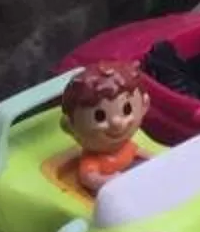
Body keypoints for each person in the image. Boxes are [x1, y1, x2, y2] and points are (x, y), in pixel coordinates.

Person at [59, 59, 150, 194]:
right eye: (100, 117)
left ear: (144, 105)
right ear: (70, 127)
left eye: (126, 109)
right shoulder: (92, 160)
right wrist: (108, 182)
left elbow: (143, 154)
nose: (117, 122)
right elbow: (88, 178)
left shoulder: (127, 147)